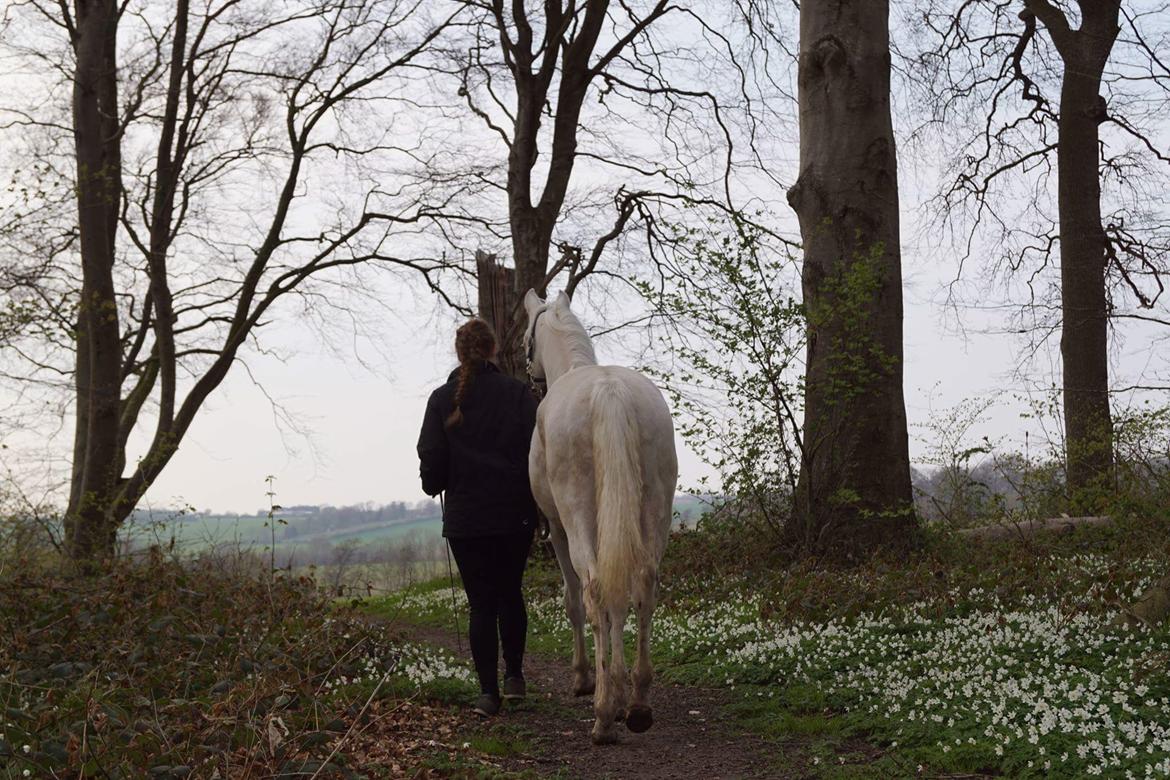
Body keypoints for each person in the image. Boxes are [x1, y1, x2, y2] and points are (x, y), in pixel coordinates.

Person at [416, 318, 539, 717]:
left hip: (467, 520)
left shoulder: (441, 399)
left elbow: (431, 459)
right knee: (510, 594)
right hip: (514, 514)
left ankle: (488, 693)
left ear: (459, 352)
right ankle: (515, 677)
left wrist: (433, 484)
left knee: (481, 604)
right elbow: (536, 452)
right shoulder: (519, 394)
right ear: (492, 349)